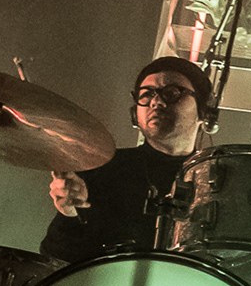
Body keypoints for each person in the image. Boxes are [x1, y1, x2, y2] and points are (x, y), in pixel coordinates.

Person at [43, 57, 210, 264]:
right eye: (146, 94)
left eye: (172, 93)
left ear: (204, 111)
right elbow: (56, 258)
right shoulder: (100, 168)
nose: (156, 102)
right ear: (134, 114)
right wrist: (68, 214)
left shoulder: (214, 180)